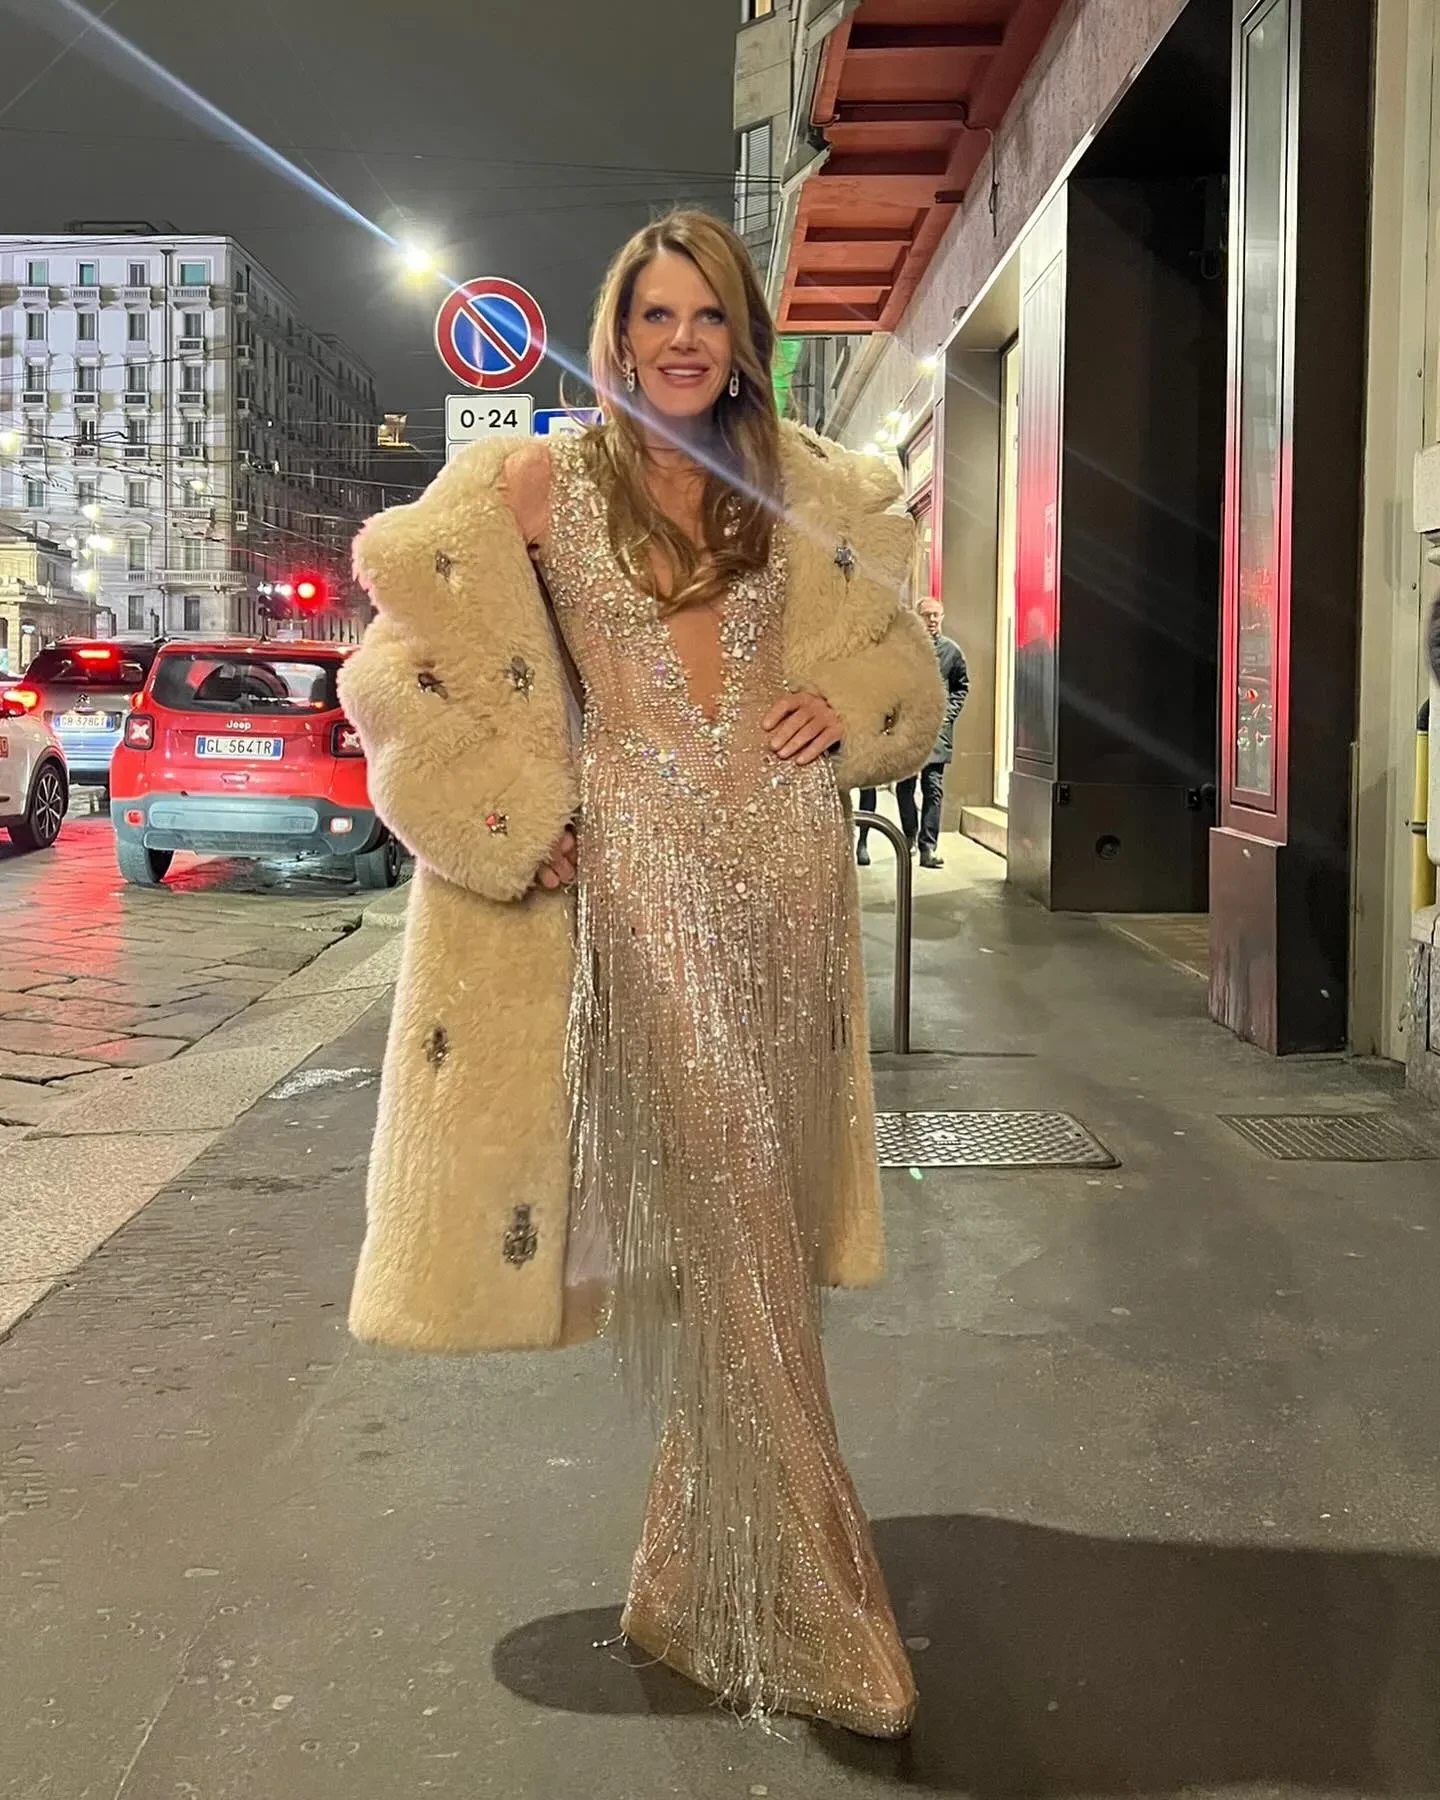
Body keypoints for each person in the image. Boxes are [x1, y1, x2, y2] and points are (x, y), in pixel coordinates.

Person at [337, 211, 945, 1738]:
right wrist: (509, 814)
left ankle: (687, 1575)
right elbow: (393, 674)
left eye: (708, 316)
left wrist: (847, 700)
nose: (681, 340)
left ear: (744, 340)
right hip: (641, 872)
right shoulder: (532, 486)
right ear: (615, 335)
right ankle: (810, 1600)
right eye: (655, 314)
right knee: (731, 1197)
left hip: (785, 873)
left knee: (760, 1221)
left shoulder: (808, 485)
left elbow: (905, 662)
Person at [896, 597, 969, 868]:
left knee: (933, 787)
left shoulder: (952, 651)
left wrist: (947, 716)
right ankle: (909, 837)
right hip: (908, 730)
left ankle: (928, 846)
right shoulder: (903, 650)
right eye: (927, 615)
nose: (932, 620)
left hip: (938, 732)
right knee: (905, 785)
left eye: (936, 615)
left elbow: (961, 687)